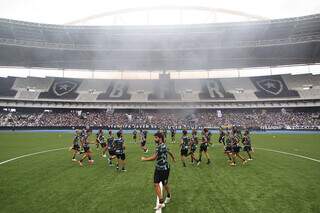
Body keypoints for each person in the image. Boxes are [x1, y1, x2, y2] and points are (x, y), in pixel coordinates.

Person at [141, 132, 176, 211]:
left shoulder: (160, 146)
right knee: (156, 184)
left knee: (165, 184)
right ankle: (161, 202)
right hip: (158, 168)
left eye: (156, 137)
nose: (154, 139)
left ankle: (169, 195)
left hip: (164, 169)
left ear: (160, 138)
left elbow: (154, 158)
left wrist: (144, 159)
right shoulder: (163, 145)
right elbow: (169, 152)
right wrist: (173, 158)